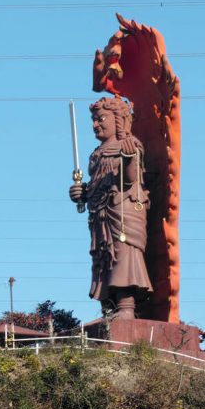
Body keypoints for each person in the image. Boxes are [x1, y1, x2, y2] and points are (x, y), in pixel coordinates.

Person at [69, 97, 152, 319]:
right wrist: (82, 193)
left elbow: (130, 179)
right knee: (103, 257)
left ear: (118, 120)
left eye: (101, 119)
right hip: (100, 214)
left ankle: (127, 307)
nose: (96, 125)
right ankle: (109, 307)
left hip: (123, 212)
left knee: (123, 254)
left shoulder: (130, 145)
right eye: (94, 121)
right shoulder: (96, 154)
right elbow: (97, 184)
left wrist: (127, 158)